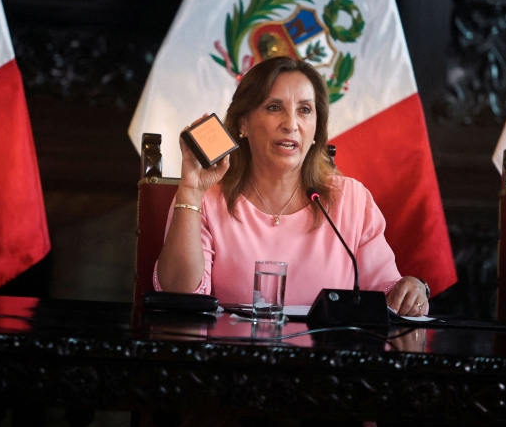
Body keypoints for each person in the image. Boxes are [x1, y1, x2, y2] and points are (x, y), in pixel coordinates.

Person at [155, 56, 430, 316]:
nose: (291, 124)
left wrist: (411, 291)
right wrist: (190, 190)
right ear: (243, 123)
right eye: (274, 107)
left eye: (305, 110)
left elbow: (386, 294)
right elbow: (179, 295)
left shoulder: (351, 199)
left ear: (315, 131)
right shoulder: (206, 197)